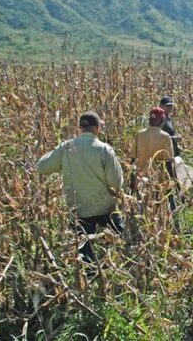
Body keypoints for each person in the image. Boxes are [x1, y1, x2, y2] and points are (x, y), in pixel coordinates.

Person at [37, 111, 124, 269]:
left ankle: (89, 280)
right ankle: (116, 268)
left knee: (84, 254)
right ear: (97, 128)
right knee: (120, 239)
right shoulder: (105, 149)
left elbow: (42, 167)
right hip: (105, 207)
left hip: (79, 209)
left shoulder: (67, 147)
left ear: (80, 129)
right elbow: (116, 182)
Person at [133, 107, 178, 213]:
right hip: (159, 179)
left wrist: (132, 179)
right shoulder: (165, 137)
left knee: (144, 206)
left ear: (150, 120)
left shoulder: (139, 134)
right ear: (162, 121)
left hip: (142, 178)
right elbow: (168, 161)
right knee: (163, 204)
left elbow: (133, 158)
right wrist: (174, 180)